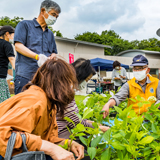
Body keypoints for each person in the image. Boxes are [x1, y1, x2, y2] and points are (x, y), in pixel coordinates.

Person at [0, 58, 85, 160]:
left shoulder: (51, 104)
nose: (72, 88)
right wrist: (52, 149)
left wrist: (68, 144)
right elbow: (3, 135)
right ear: (60, 83)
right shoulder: (35, 100)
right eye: (69, 82)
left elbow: (47, 138)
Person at [14, 0, 60, 94]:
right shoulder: (25, 25)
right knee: (23, 106)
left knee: (41, 107)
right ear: (43, 11)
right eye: (53, 14)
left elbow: (54, 51)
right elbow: (18, 46)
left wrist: (53, 56)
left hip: (44, 78)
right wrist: (37, 56)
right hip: (25, 76)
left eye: (57, 16)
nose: (55, 18)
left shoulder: (50, 34)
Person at [57, 58, 110, 140]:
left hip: (66, 128)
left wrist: (88, 122)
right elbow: (74, 122)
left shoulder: (67, 88)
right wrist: (99, 128)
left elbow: (73, 116)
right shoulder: (64, 91)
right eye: (87, 80)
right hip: (61, 132)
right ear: (80, 75)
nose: (86, 83)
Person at [0, 26, 15, 103]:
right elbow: (12, 59)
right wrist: (19, 72)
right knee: (3, 104)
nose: (13, 37)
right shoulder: (6, 44)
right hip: (0, 79)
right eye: (13, 35)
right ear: (7, 34)